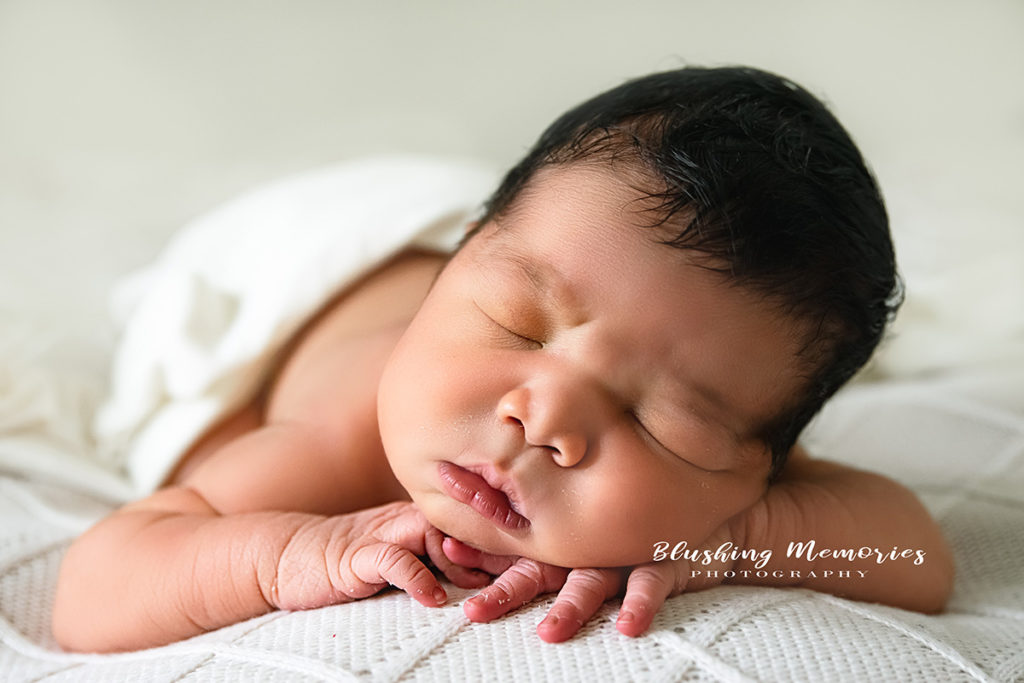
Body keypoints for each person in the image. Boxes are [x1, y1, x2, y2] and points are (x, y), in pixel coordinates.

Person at [52, 66, 953, 653]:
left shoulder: (727, 467)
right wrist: (295, 548)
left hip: (524, 247)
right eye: (520, 329)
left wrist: (717, 543)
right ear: (461, 274)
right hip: (312, 250)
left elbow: (914, 554)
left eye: (655, 420)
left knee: (584, 257)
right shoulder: (337, 439)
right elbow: (91, 591)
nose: (544, 415)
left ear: (752, 472)